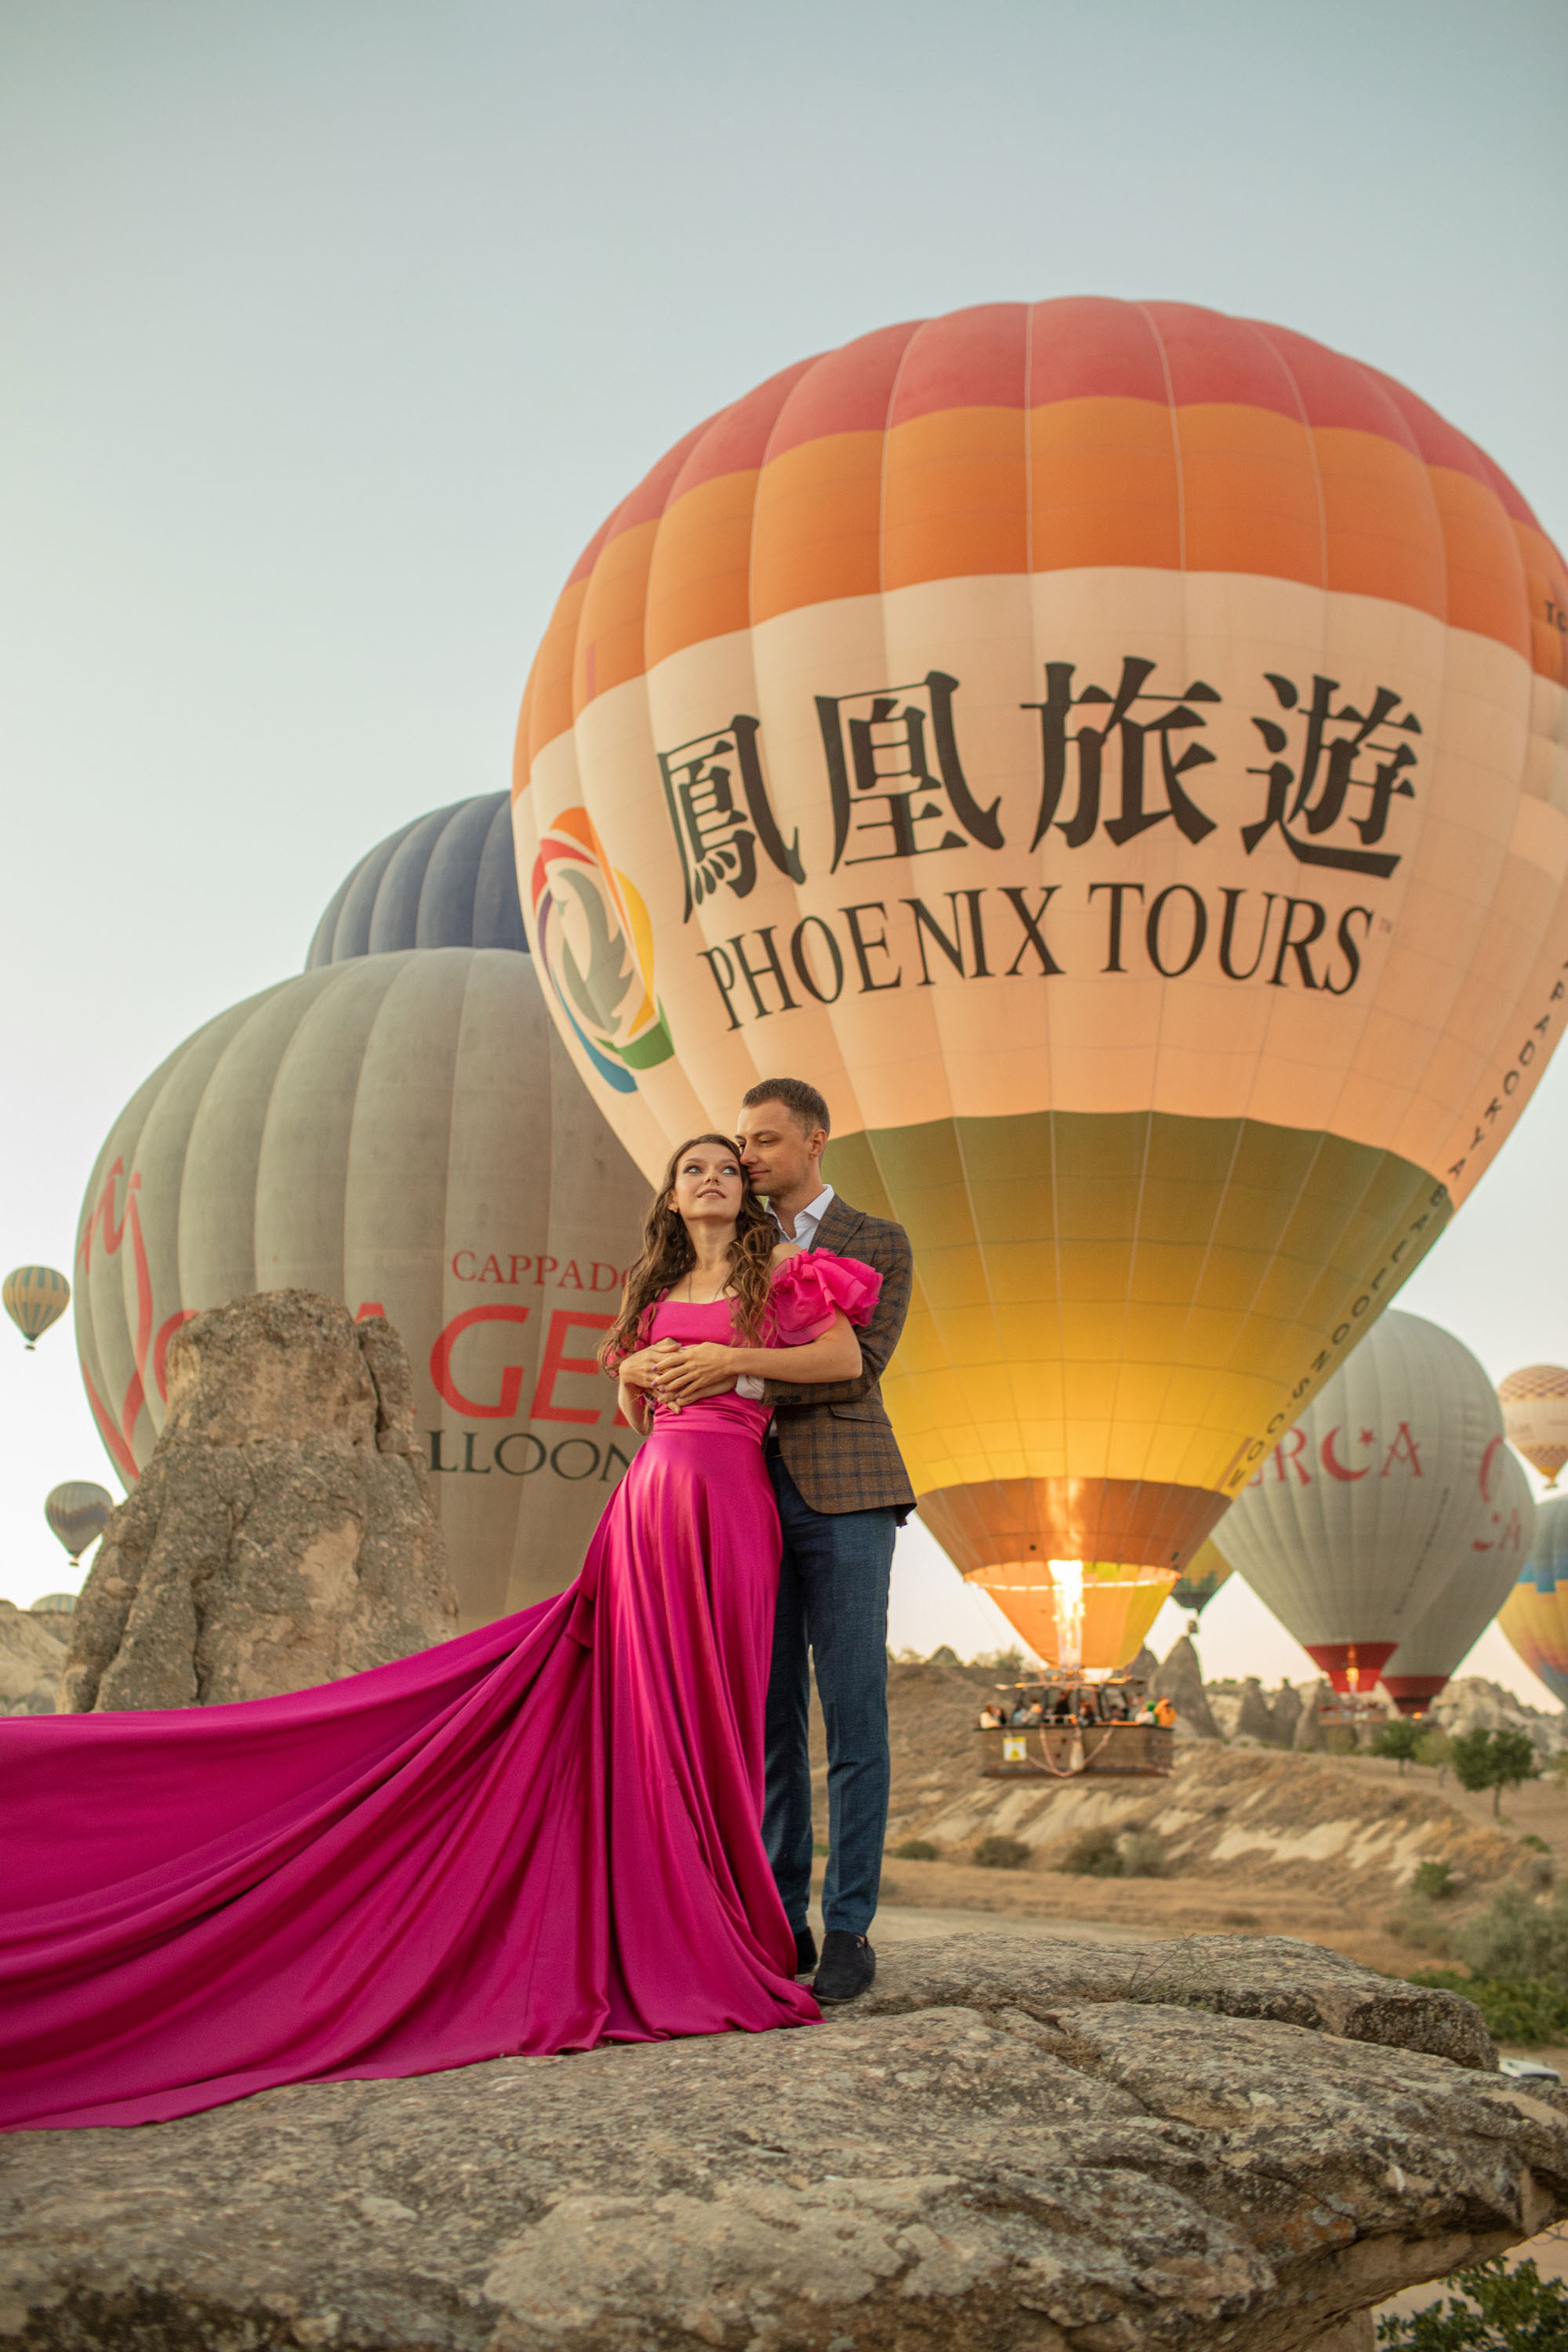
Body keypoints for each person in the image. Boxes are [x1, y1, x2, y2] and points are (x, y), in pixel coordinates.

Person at [0, 1136, 877, 2133]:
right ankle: (664, 1894)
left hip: (730, 1500)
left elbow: (841, 1356)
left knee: (716, 1702)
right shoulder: (651, 1289)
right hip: (651, 1502)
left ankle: (715, 1899)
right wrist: (652, 1372)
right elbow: (631, 1405)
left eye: (726, 1166)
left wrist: (726, 1360)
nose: (713, 1177)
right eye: (693, 1170)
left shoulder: (785, 1278)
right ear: (671, 1201)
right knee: (640, 1695)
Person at [645, 1079, 913, 2005]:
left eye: (761, 1141)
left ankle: (849, 1926)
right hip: (742, 1503)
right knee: (767, 1721)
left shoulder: (874, 1241)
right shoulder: (736, 1246)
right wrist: (647, 1362)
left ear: (814, 1141)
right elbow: (666, 1331)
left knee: (851, 1714)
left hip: (844, 1497)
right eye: (737, 1144)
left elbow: (854, 1370)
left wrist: (728, 1371)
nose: (745, 1157)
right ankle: (778, 1916)